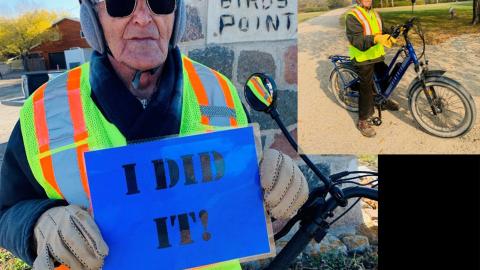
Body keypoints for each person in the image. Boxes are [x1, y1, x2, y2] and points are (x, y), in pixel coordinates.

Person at [0, 0, 308, 269]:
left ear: (177, 14)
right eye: (122, 4)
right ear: (93, 17)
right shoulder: (43, 110)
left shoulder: (219, 92)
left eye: (160, 1)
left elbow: (240, 194)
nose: (144, 17)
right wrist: (38, 224)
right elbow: (6, 212)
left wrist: (273, 182)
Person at [346, 0, 400, 137]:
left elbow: (383, 30)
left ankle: (382, 100)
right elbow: (357, 41)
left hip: (376, 55)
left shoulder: (375, 14)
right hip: (362, 57)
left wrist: (396, 30)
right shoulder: (353, 15)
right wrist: (376, 39)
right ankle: (363, 120)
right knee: (366, 87)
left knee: (385, 76)